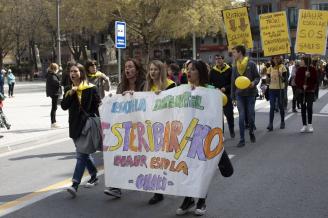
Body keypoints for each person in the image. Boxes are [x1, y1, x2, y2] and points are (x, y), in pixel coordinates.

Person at [176, 60, 233, 216]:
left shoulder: (209, 90)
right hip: (187, 136)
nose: (189, 72)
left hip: (204, 136)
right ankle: (188, 199)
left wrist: (216, 94)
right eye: (187, 69)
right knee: (187, 170)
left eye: (193, 69)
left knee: (201, 170)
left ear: (200, 72)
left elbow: (222, 102)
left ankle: (201, 200)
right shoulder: (182, 90)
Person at [104, 58, 146, 198]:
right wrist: (114, 99)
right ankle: (116, 187)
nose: (127, 69)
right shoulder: (121, 86)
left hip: (142, 128)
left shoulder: (144, 85)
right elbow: (116, 106)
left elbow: (149, 103)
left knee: (146, 159)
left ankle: (157, 188)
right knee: (120, 156)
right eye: (126, 67)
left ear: (137, 70)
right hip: (125, 128)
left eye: (130, 67)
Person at [61, 63, 101, 197]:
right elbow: (63, 106)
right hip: (74, 126)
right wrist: (70, 94)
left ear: (81, 73)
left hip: (87, 126)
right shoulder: (68, 88)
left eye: (76, 71)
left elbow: (98, 106)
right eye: (71, 71)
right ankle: (94, 175)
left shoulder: (91, 88)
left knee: (81, 155)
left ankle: (75, 184)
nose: (73, 74)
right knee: (84, 154)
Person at [144, 60, 175, 205]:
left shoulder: (170, 85)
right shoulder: (147, 86)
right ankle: (158, 192)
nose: (152, 72)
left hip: (167, 128)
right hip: (151, 129)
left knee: (168, 161)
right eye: (150, 69)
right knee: (154, 162)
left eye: (155, 69)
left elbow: (175, 106)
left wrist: (162, 96)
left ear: (161, 71)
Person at [231, 45, 260, 147]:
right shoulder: (234, 66)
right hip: (239, 95)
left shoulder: (251, 64)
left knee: (251, 116)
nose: (233, 54)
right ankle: (242, 139)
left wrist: (253, 83)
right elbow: (233, 82)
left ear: (240, 52)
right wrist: (233, 97)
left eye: (234, 52)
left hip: (250, 94)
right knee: (241, 117)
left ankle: (251, 132)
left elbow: (257, 77)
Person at [209, 54, 235, 138]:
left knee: (229, 115)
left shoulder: (229, 70)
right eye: (216, 59)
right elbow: (209, 83)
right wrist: (215, 88)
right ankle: (221, 134)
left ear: (223, 59)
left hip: (227, 95)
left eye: (219, 58)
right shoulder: (213, 71)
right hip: (217, 96)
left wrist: (225, 88)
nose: (217, 60)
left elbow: (232, 83)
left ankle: (231, 130)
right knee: (219, 117)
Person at [295, 56, 317, 133]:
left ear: (306, 61)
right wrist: (302, 85)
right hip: (302, 91)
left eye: (302, 60)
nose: (301, 62)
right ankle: (304, 125)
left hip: (310, 91)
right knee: (303, 108)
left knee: (309, 107)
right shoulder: (299, 69)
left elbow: (315, 81)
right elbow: (296, 80)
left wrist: (309, 76)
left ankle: (310, 124)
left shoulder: (312, 69)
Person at [266, 56, 287, 131]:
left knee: (281, 106)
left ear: (280, 59)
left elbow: (284, 80)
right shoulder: (269, 69)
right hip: (272, 89)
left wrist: (280, 75)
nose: (276, 59)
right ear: (272, 59)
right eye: (275, 58)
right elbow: (267, 82)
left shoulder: (283, 67)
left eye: (278, 58)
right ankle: (270, 123)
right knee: (272, 106)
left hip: (280, 89)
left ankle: (282, 121)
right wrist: (267, 79)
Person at [46, 63, 62, 128]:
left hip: (53, 93)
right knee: (54, 108)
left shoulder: (51, 75)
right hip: (54, 93)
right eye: (57, 68)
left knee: (54, 107)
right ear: (55, 69)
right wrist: (60, 83)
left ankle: (54, 121)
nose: (58, 70)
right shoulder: (52, 75)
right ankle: (53, 122)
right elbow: (56, 83)